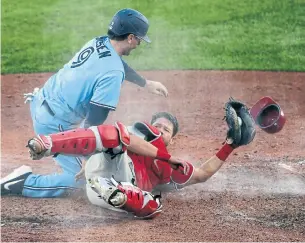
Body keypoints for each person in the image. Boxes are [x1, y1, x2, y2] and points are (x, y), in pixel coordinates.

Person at [3, 8, 169, 198]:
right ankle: (22, 183)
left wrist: (145, 83)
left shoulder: (99, 42)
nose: (139, 43)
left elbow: (116, 63)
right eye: (139, 39)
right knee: (84, 181)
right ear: (130, 38)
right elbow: (93, 122)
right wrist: (85, 157)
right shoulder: (112, 75)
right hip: (54, 124)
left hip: (42, 101)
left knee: (99, 157)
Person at [1, 99, 256, 219]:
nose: (160, 129)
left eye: (166, 129)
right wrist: (162, 154)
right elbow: (123, 139)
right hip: (110, 163)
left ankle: (22, 182)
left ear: (173, 138)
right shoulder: (146, 134)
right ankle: (47, 144)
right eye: (158, 124)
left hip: (109, 189)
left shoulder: (170, 169)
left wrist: (230, 145)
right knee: (116, 135)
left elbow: (202, 173)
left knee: (151, 206)